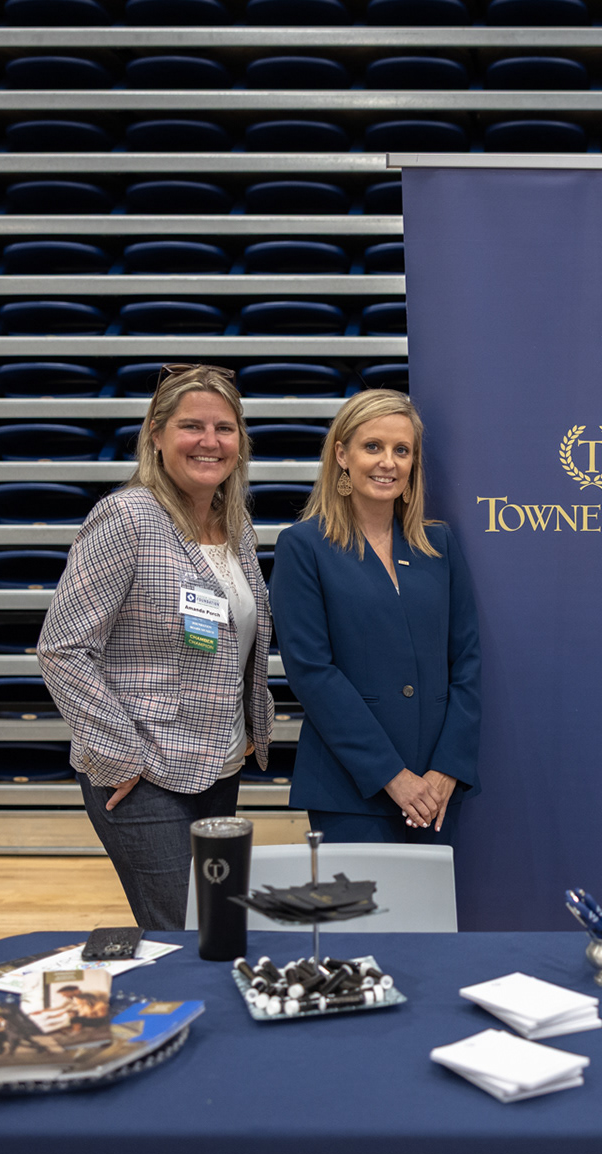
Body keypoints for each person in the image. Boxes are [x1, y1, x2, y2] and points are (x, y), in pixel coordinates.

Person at [39, 364, 274, 930]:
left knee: (216, 929)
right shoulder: (127, 518)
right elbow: (63, 647)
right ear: (156, 433)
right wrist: (120, 755)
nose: (209, 441)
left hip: (220, 767)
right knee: (182, 933)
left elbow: (235, 642)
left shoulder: (236, 526)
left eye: (224, 428)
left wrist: (246, 725)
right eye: (192, 426)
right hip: (143, 774)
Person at [270, 388, 480, 842]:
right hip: (350, 790)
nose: (389, 462)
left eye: (402, 450)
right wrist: (393, 776)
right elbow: (312, 673)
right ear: (342, 455)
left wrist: (448, 767)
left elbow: (467, 661)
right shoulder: (303, 547)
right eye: (373, 446)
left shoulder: (439, 545)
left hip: (438, 791)